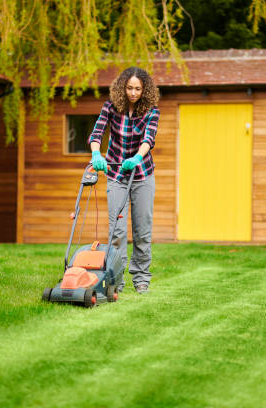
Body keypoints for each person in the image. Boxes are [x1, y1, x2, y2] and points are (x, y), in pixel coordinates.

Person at [87, 67, 160, 294]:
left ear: (144, 90)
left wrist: (137, 157)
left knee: (142, 231)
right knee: (117, 231)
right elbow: (97, 133)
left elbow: (149, 138)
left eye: (138, 89)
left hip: (142, 175)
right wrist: (96, 154)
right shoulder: (111, 107)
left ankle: (141, 279)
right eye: (129, 88)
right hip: (117, 174)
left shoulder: (151, 111)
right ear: (122, 87)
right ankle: (116, 279)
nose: (133, 93)